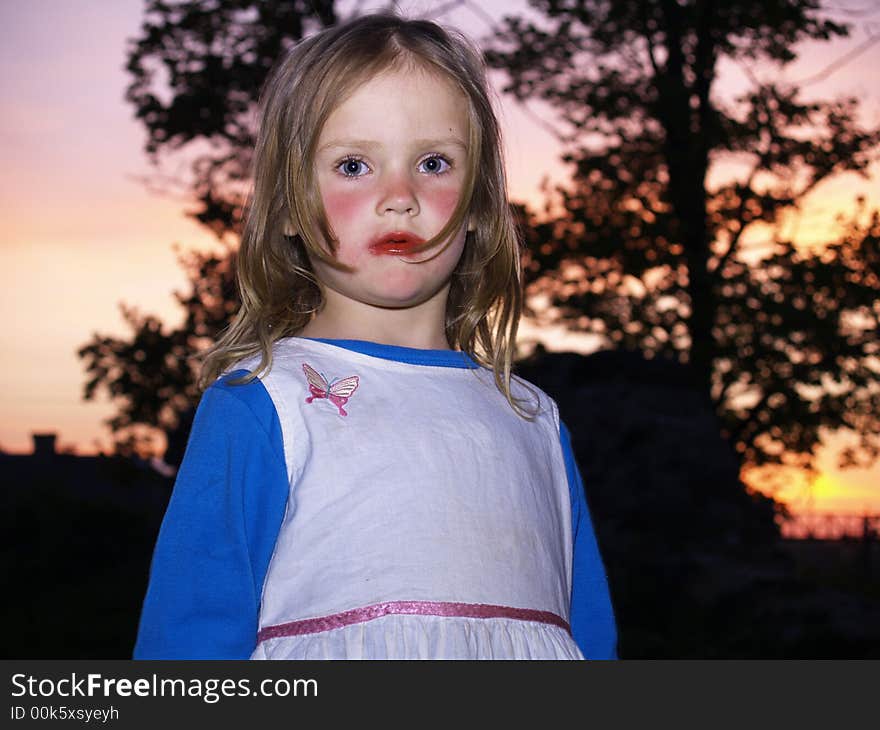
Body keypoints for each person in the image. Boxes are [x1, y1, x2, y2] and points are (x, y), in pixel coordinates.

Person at [133, 12, 617, 660]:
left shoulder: (533, 420)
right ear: (286, 208)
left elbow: (590, 641)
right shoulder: (263, 404)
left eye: (434, 162)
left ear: (478, 203)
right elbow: (188, 643)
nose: (400, 196)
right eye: (355, 164)